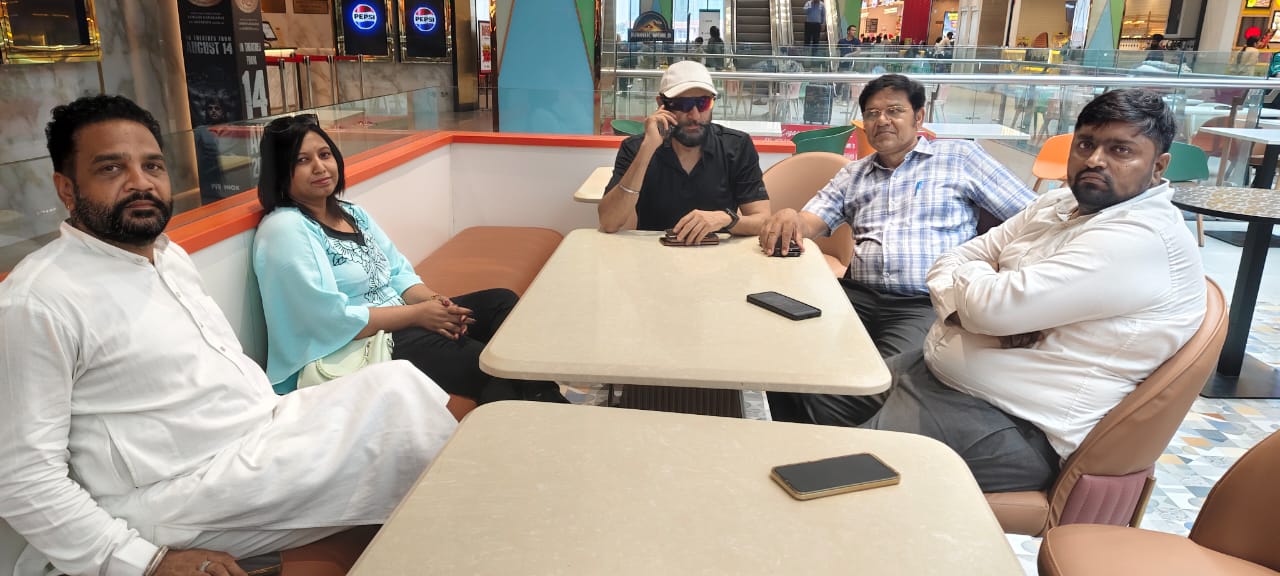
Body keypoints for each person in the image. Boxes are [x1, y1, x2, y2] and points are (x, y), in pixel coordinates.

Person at [0, 94, 459, 576]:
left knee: (398, 385)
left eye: (152, 165)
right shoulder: (39, 301)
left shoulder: (167, 257)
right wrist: (149, 563)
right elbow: (23, 477)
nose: (141, 183)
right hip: (184, 493)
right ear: (66, 189)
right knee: (411, 437)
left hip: (261, 434)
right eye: (111, 169)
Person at [770, 88, 1206, 493]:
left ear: (1158, 166)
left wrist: (981, 300)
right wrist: (977, 299)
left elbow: (990, 308)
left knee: (825, 471)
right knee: (795, 382)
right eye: (1086, 144)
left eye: (1120, 150)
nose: (1095, 160)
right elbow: (956, 260)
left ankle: (853, 520)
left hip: (1011, 420)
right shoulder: (1059, 204)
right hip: (934, 371)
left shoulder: (1137, 239)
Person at [252, 115, 567, 409]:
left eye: (325, 155)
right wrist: (417, 315)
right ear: (280, 171)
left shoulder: (351, 213)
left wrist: (437, 303)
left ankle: (548, 402)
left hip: (399, 325)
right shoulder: (285, 228)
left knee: (500, 303)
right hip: (354, 347)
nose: (320, 167)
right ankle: (525, 426)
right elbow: (328, 320)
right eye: (302, 161)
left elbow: (398, 273)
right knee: (486, 365)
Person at [759, 74, 1035, 358]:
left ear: (919, 117)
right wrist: (791, 217)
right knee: (793, 352)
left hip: (925, 303)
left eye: (894, 110)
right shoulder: (853, 175)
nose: (882, 120)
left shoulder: (959, 157)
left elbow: (1035, 215)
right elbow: (810, 221)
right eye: (872, 114)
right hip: (856, 296)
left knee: (887, 372)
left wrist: (1010, 279)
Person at [599, 60, 771, 243]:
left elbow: (762, 220)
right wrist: (647, 148)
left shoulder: (736, 146)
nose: (695, 115)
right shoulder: (636, 148)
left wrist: (726, 219)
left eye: (703, 103)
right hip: (654, 253)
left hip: (717, 254)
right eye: (683, 104)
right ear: (661, 104)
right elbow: (609, 222)